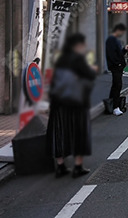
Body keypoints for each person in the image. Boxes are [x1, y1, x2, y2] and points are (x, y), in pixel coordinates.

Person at [47, 33, 96, 178]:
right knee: (78, 133)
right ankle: (78, 166)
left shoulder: (61, 59)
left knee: (59, 133)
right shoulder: (78, 60)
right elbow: (90, 75)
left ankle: (60, 166)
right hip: (76, 103)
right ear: (78, 45)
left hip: (58, 102)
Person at [105, 24, 128, 116]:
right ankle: (115, 107)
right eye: (122, 32)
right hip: (116, 66)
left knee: (115, 85)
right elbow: (111, 55)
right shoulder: (111, 40)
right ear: (118, 30)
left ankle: (111, 105)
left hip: (117, 66)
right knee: (117, 85)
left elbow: (118, 53)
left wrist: (124, 49)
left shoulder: (114, 40)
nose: (122, 33)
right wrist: (118, 64)